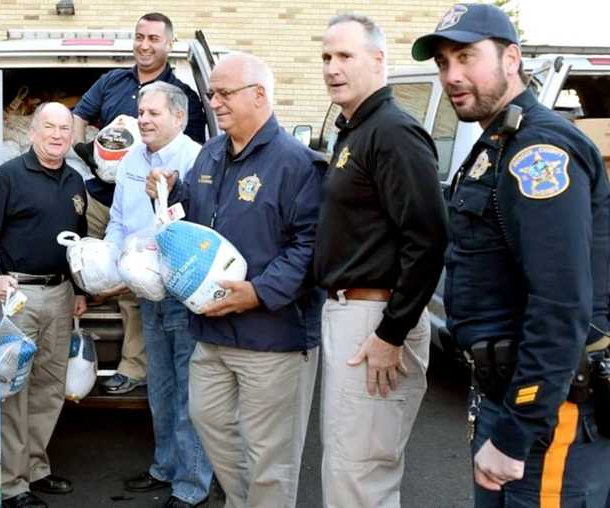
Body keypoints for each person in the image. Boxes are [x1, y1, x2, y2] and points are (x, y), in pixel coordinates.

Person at [412, 3, 610, 506]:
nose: (452, 76)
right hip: (508, 400)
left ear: (511, 58)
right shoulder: (498, 141)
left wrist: (518, 429)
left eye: (466, 57)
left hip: (549, 416)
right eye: (442, 63)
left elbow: (561, 304)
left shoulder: (538, 152)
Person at [146, 52, 325, 508]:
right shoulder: (209, 153)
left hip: (272, 338)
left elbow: (312, 247)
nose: (215, 102)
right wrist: (169, 193)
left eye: (224, 93)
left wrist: (258, 293)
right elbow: (192, 223)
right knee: (211, 428)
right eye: (212, 94)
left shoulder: (299, 164)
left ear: (259, 95)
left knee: (271, 456)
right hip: (211, 332)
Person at [313, 14, 448, 508]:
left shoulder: (394, 132)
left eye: (345, 56)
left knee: (360, 476)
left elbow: (428, 240)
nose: (332, 67)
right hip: (353, 316)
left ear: (377, 59)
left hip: (375, 319)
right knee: (349, 467)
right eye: (326, 57)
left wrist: (391, 333)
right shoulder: (358, 130)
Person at [72, 11, 206, 396]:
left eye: (154, 39)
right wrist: (89, 155)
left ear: (168, 44)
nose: (145, 45)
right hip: (103, 196)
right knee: (88, 267)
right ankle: (74, 348)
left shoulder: (183, 97)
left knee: (138, 281)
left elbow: (186, 153)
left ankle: (133, 364)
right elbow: (80, 115)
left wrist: (168, 187)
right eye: (139, 37)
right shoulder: (112, 80)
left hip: (156, 202)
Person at [0, 102, 88, 508]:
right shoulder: (5, 178)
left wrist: (79, 289)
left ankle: (35, 468)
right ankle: (11, 484)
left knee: (48, 388)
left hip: (60, 295)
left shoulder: (75, 182)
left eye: (64, 129)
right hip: (18, 295)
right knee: (13, 390)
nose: (57, 135)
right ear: (32, 132)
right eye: (49, 127)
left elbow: (79, 241)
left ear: (72, 136)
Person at [105, 82, 213, 508]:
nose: (144, 120)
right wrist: (111, 262)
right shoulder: (131, 158)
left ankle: (192, 485)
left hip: (182, 293)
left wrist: (167, 198)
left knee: (189, 391)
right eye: (141, 112)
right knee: (160, 387)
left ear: (179, 118)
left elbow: (201, 228)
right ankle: (164, 467)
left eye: (153, 113)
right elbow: (117, 219)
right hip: (144, 290)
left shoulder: (198, 160)